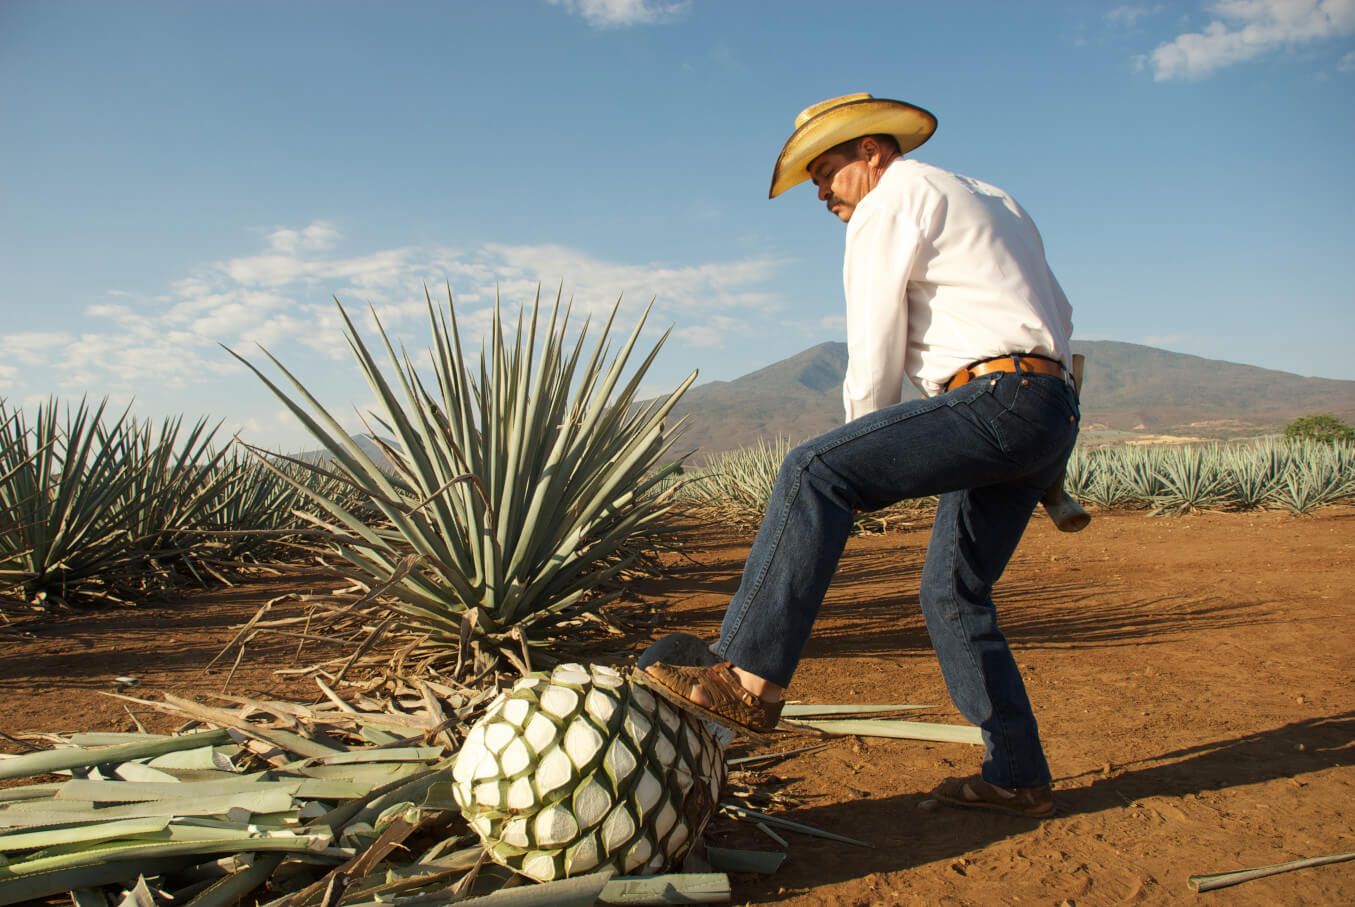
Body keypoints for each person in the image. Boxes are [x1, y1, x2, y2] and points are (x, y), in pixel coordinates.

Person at [638, 93, 1078, 818]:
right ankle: (1016, 772)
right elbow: (1058, 314)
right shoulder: (992, 198)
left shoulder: (892, 196)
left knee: (814, 469)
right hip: (1045, 405)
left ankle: (748, 678)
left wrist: (858, 452)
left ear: (872, 152)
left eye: (826, 169)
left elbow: (874, 338)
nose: (819, 191)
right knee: (951, 592)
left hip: (996, 399)